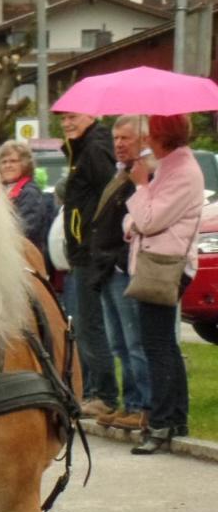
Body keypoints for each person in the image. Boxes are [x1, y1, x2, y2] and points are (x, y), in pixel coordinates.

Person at [123, 113, 202, 454]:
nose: (145, 138)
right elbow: (136, 220)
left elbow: (149, 219)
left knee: (156, 345)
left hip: (165, 265)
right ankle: (175, 418)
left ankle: (161, 422)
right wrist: (136, 219)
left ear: (162, 135)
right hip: (158, 261)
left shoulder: (182, 172)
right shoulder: (171, 166)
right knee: (163, 344)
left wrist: (141, 185)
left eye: (150, 132)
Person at [88, 115, 151, 432]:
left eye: (125, 138)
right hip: (109, 269)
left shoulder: (144, 175)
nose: (119, 144)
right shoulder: (120, 173)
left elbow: (142, 219)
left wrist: (116, 256)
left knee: (134, 340)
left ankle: (142, 405)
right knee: (119, 343)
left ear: (143, 139)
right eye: (116, 139)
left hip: (125, 266)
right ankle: (130, 402)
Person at [59, 110, 119, 418]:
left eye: (72, 117)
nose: (67, 123)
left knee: (90, 323)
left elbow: (108, 193)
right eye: (63, 119)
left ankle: (104, 393)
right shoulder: (81, 149)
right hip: (82, 250)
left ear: (92, 115)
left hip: (91, 251)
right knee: (84, 323)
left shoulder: (95, 149)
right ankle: (94, 390)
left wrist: (92, 237)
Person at [0, 140, 54, 259]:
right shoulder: (1, 191)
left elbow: (26, 229)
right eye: (4, 162)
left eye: (13, 161)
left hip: (25, 258)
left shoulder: (29, 192)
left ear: (25, 164)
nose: (8, 166)